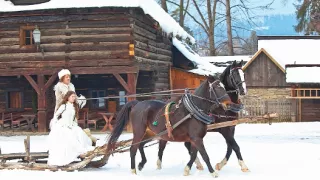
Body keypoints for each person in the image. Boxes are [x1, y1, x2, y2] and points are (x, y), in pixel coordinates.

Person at [47, 91, 95, 166]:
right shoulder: (64, 106)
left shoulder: (74, 106)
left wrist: (74, 124)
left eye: (74, 97)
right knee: (68, 138)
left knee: (79, 133)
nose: (74, 98)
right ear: (68, 97)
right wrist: (55, 123)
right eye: (72, 96)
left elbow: (74, 118)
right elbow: (56, 115)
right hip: (63, 125)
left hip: (71, 125)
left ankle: (83, 152)